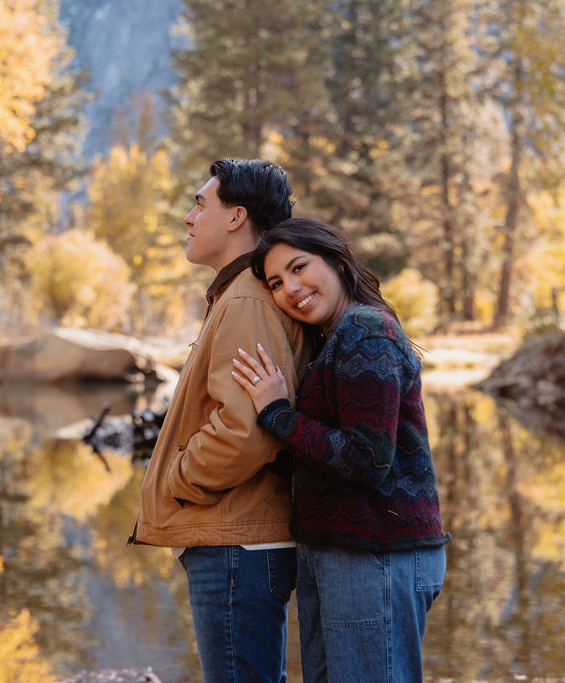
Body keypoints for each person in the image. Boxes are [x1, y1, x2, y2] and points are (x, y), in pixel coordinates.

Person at [231, 217, 449, 683]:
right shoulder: (336, 338)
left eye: (298, 267)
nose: (291, 287)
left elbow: (367, 459)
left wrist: (275, 414)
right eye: (276, 282)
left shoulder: (365, 332)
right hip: (341, 552)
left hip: (375, 553)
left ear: (335, 260)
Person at [131, 159, 310, 683]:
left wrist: (179, 479)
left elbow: (244, 430)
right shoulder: (239, 297)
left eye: (199, 203)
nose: (189, 217)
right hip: (238, 541)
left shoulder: (247, 302)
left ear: (236, 217)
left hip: (236, 545)